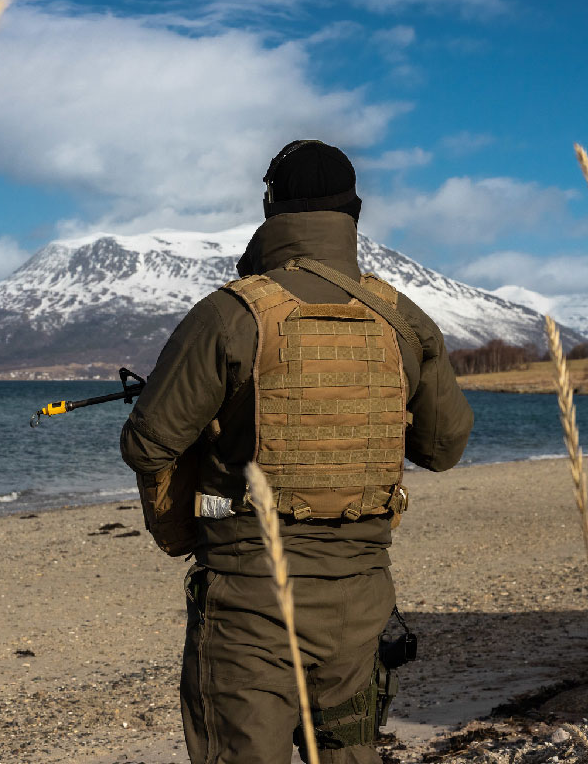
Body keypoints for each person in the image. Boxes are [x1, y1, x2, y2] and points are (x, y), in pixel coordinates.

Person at [120, 140, 473, 763]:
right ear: (353, 214)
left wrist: (185, 516)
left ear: (270, 209)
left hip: (248, 605)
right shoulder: (403, 319)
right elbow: (444, 447)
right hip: (360, 603)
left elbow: (149, 442)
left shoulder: (232, 313)